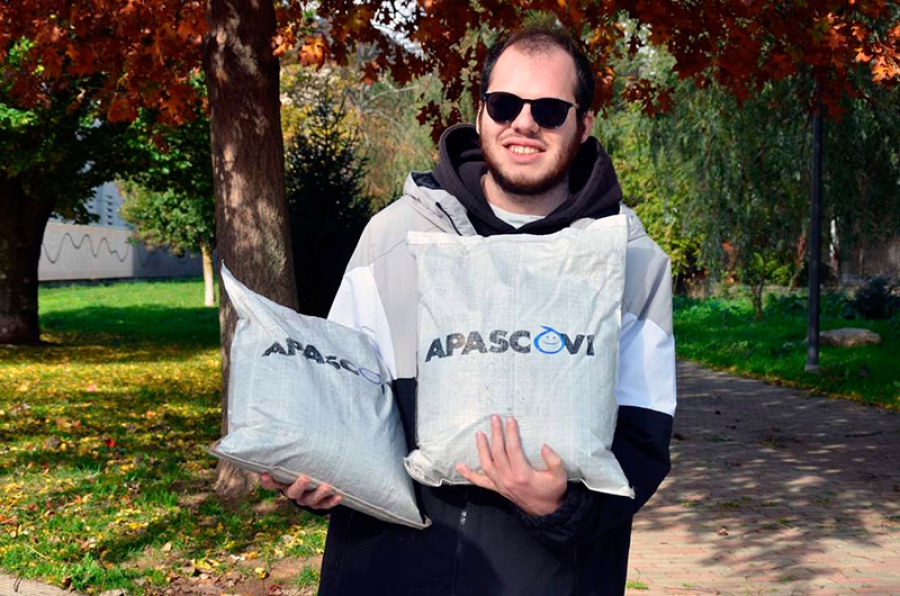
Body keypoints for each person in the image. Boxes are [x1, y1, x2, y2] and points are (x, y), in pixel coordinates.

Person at [261, 24, 676, 596]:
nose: (523, 123)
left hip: (549, 578)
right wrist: (315, 476)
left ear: (583, 125)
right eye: (504, 104)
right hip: (382, 575)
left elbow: (643, 442)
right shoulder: (393, 237)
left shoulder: (631, 262)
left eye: (550, 110)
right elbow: (340, 401)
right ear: (480, 114)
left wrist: (564, 508)